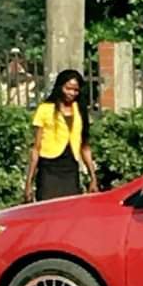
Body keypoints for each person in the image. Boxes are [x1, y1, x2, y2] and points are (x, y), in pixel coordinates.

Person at [25, 69, 97, 203]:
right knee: (47, 209)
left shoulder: (80, 110)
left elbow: (85, 147)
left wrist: (93, 177)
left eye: (75, 90)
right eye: (68, 88)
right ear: (60, 87)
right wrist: (29, 182)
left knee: (69, 210)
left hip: (70, 168)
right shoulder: (45, 109)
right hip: (49, 168)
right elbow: (36, 148)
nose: (72, 93)